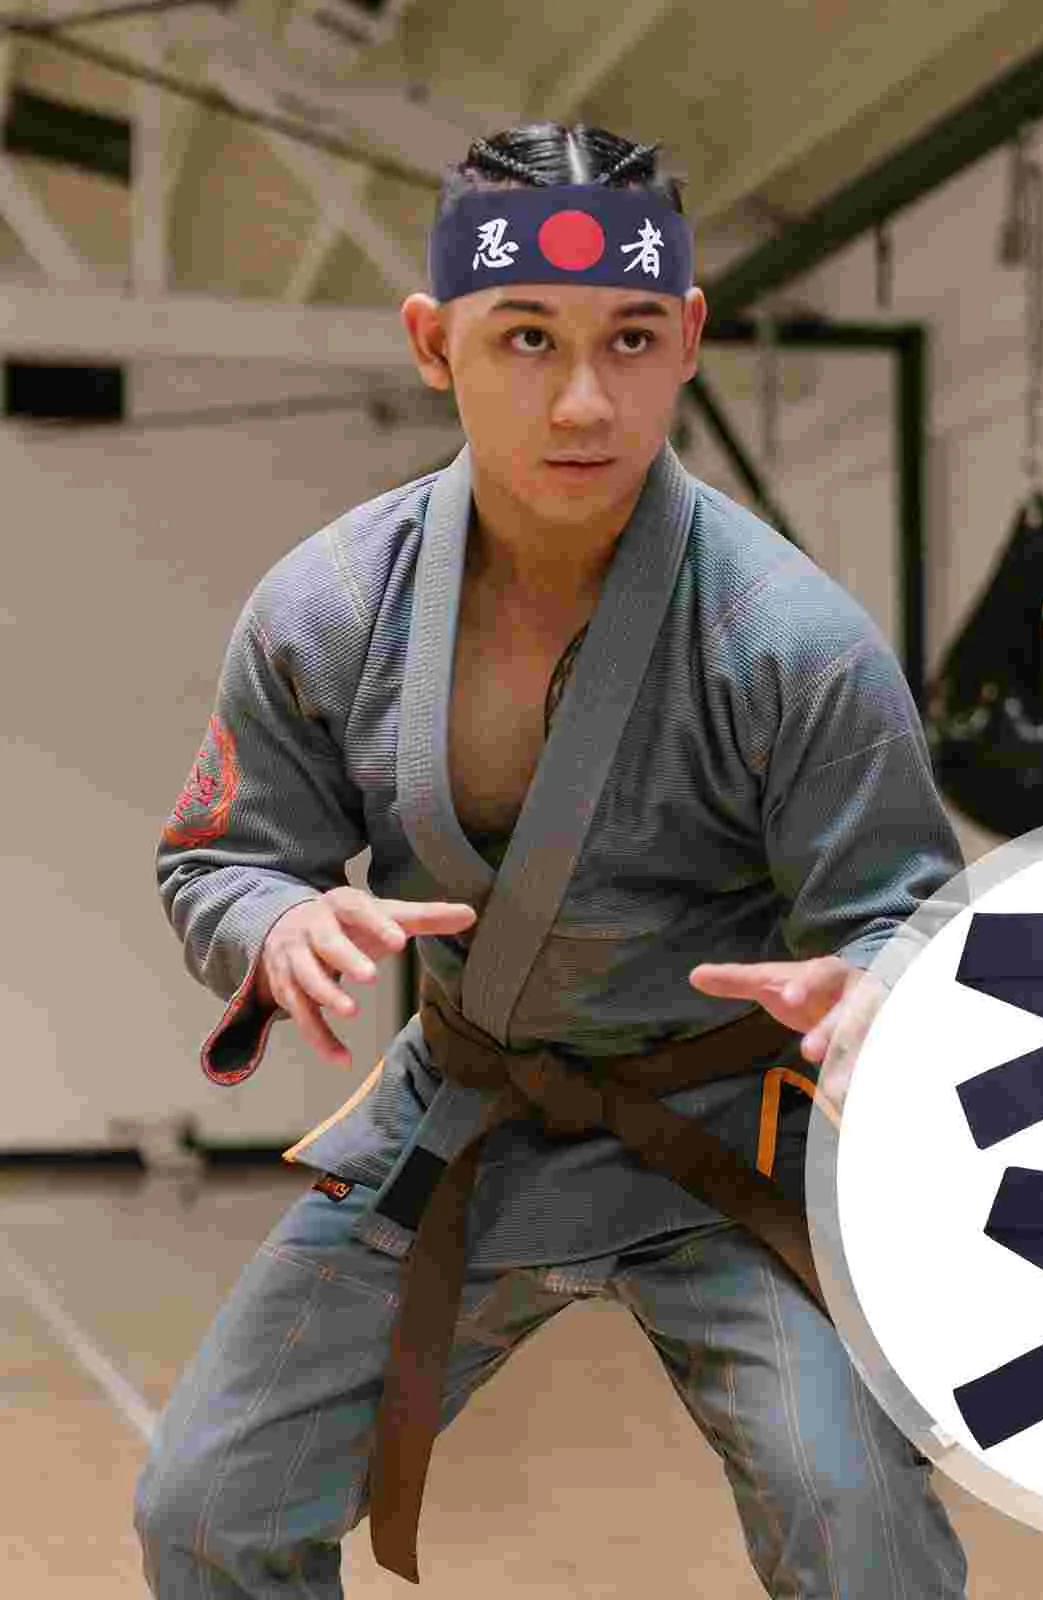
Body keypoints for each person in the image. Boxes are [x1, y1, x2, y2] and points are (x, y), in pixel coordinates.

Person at [132, 121, 971, 1599]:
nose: (583, 398)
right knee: (206, 1509)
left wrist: (876, 991)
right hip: (466, 1108)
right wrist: (275, 926)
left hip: (732, 1136)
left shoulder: (791, 641)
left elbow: (906, 915)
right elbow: (221, 858)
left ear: (689, 338)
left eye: (630, 339)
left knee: (861, 1530)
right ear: (433, 343)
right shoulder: (330, 609)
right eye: (526, 337)